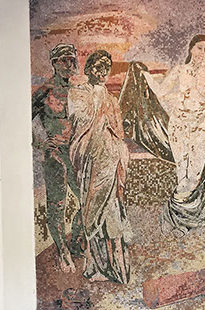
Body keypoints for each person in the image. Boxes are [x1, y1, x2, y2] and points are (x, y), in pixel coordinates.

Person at [120, 35, 205, 235]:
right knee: (182, 175)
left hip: (201, 127)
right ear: (191, 48)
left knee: (194, 175)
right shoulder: (180, 71)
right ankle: (178, 221)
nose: (202, 53)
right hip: (179, 127)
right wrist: (144, 75)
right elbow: (161, 91)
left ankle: (179, 217)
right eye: (199, 48)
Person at [68, 50, 132, 284]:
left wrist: (119, 151)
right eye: (98, 66)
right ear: (89, 69)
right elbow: (78, 121)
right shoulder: (78, 93)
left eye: (106, 67)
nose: (103, 71)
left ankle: (116, 268)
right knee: (91, 210)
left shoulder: (111, 99)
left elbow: (119, 132)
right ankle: (95, 266)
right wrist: (98, 112)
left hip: (110, 162)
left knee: (112, 212)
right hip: (90, 161)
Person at [32, 43, 81, 272]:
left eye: (71, 59)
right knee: (57, 205)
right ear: (54, 63)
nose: (69, 64)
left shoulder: (79, 92)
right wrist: (41, 143)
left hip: (76, 154)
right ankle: (63, 252)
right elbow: (19, 119)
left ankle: (76, 242)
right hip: (54, 155)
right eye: (63, 60)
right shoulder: (45, 91)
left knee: (87, 200)